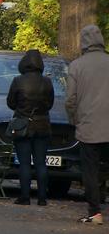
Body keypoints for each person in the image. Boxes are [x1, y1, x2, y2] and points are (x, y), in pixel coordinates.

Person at [66, 24, 109, 225]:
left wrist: (74, 120)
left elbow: (71, 100)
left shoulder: (77, 66)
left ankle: (95, 212)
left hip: (89, 126)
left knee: (90, 170)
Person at [7, 49, 54, 206]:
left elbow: (10, 102)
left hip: (23, 124)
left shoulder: (18, 81)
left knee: (24, 163)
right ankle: (42, 198)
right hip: (42, 125)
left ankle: (25, 196)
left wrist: (21, 110)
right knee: (41, 162)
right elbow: (50, 103)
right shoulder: (47, 82)